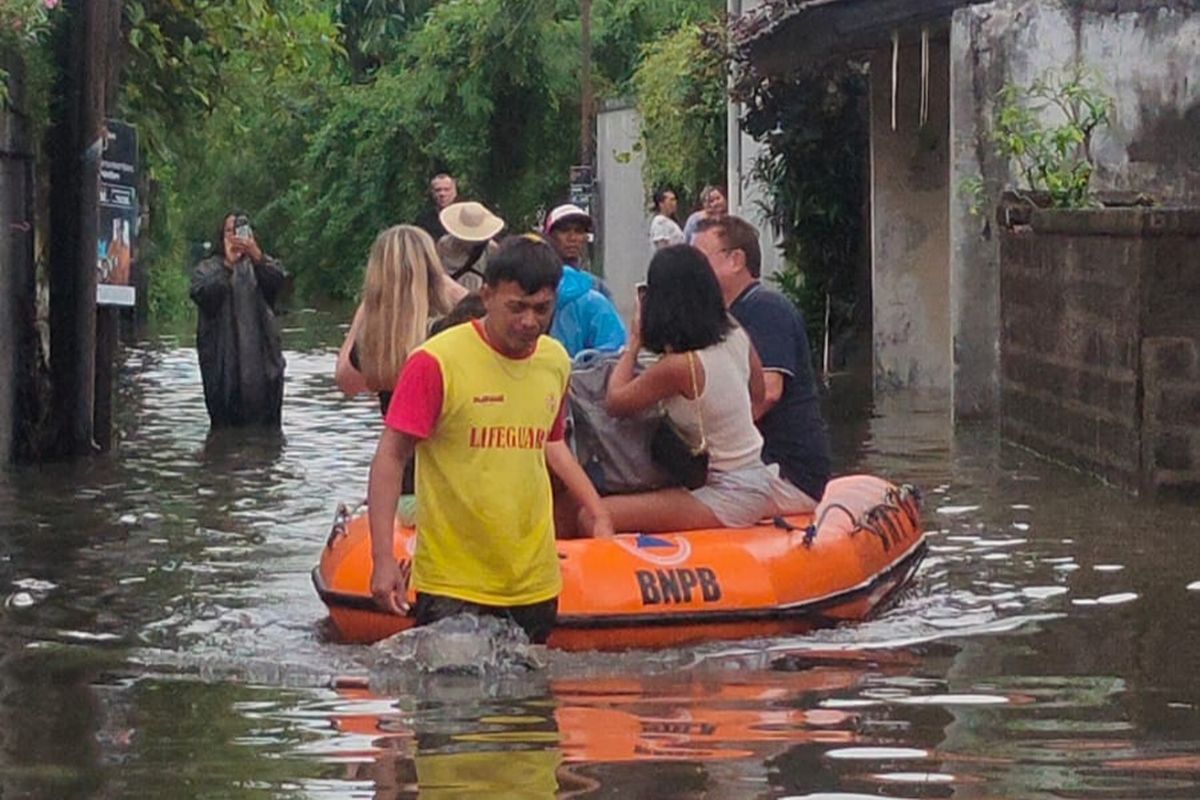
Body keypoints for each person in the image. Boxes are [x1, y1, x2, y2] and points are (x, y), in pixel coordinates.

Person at [368, 234, 614, 643]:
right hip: (453, 583)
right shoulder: (436, 362)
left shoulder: (554, 361)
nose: (529, 321)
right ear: (487, 295)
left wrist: (597, 510)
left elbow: (551, 443)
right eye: (517, 307)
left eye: (542, 309)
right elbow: (390, 457)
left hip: (534, 582)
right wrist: (382, 558)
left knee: (533, 684)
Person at [577, 245, 776, 536]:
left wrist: (634, 341)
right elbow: (758, 395)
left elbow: (615, 401)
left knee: (592, 515)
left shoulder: (681, 367)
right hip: (754, 474)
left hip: (728, 492)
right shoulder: (736, 335)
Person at [693, 215, 831, 511]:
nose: (690, 270)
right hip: (749, 468)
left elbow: (768, 393)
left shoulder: (766, 309)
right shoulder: (722, 319)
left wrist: (706, 442)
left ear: (736, 260)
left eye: (698, 259)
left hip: (785, 472)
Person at [335, 225, 467, 416]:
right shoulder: (448, 332)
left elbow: (346, 381)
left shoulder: (376, 342)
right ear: (432, 269)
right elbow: (493, 318)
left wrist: (368, 307)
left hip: (399, 433)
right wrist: (455, 291)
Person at [190, 211, 286, 427]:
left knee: (268, 439)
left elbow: (281, 283)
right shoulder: (208, 269)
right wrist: (228, 266)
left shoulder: (262, 267)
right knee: (224, 438)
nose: (235, 237)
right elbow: (202, 294)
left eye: (239, 231)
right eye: (229, 232)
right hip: (223, 376)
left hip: (265, 377)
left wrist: (258, 257)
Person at [542, 203, 626, 357]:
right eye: (564, 230)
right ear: (550, 236)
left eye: (579, 231)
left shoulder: (595, 286)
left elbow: (611, 343)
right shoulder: (535, 281)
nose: (572, 238)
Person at [436, 200, 505, 293]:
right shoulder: (444, 244)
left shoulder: (491, 249)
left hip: (476, 297)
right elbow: (437, 272)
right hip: (448, 295)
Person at [415, 173, 458, 241]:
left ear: (454, 192)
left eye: (447, 189)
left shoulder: (462, 217)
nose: (442, 194)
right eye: (438, 190)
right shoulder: (424, 220)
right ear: (432, 193)